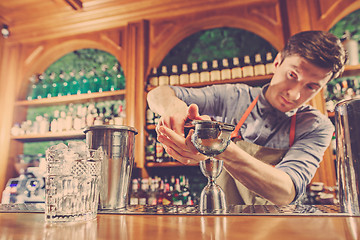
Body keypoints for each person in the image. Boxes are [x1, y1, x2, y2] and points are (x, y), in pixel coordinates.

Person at [147, 31, 347, 205]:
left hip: (281, 228)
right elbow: (157, 94)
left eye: (311, 87)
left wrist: (219, 146)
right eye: (293, 75)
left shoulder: (316, 126)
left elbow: (286, 191)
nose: (294, 94)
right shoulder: (233, 96)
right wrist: (174, 106)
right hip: (221, 220)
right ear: (277, 62)